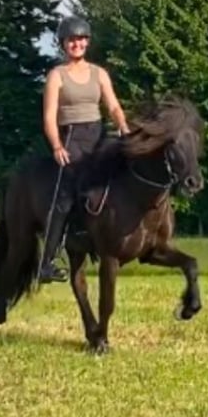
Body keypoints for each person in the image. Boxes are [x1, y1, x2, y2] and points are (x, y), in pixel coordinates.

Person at [38, 15, 130, 283]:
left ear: (87, 42)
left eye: (80, 39)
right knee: (64, 197)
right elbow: (49, 116)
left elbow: (112, 105)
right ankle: (47, 262)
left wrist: (122, 125)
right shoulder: (57, 76)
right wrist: (56, 146)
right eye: (71, 40)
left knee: (123, 176)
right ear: (63, 44)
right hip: (72, 137)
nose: (76, 44)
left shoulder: (99, 73)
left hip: (98, 133)